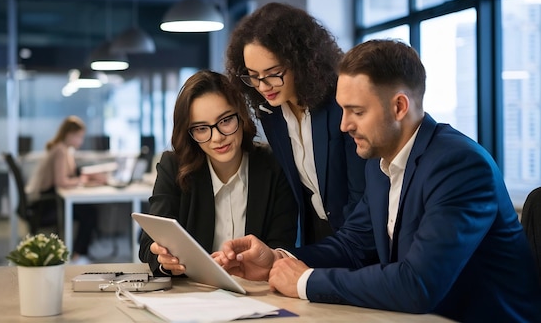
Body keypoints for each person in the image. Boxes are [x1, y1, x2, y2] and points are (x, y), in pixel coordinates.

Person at [214, 39, 541, 321]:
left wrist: (305, 281)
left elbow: (418, 285)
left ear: (399, 106)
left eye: (356, 111)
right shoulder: (380, 163)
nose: (344, 126)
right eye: (342, 110)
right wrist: (278, 259)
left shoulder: (459, 165)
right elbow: (353, 245)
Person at [225, 2, 366, 245]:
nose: (263, 86)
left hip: (357, 238)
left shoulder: (339, 105)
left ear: (302, 62)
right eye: (254, 75)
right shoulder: (271, 112)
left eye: (273, 73)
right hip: (318, 237)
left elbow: (360, 197)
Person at [138, 70, 297, 276]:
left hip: (257, 291)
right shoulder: (174, 166)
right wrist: (164, 259)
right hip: (193, 294)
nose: (217, 138)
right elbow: (148, 244)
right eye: (202, 128)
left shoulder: (274, 163)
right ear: (190, 133)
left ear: (241, 115)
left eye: (225, 121)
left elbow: (282, 245)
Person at [26, 115, 106, 265]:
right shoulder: (60, 151)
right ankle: (78, 255)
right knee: (89, 213)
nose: (81, 141)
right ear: (69, 135)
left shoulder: (63, 150)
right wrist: (82, 181)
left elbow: (69, 176)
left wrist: (85, 177)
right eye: (79, 137)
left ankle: (79, 252)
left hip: (49, 201)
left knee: (88, 211)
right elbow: (61, 181)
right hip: (47, 205)